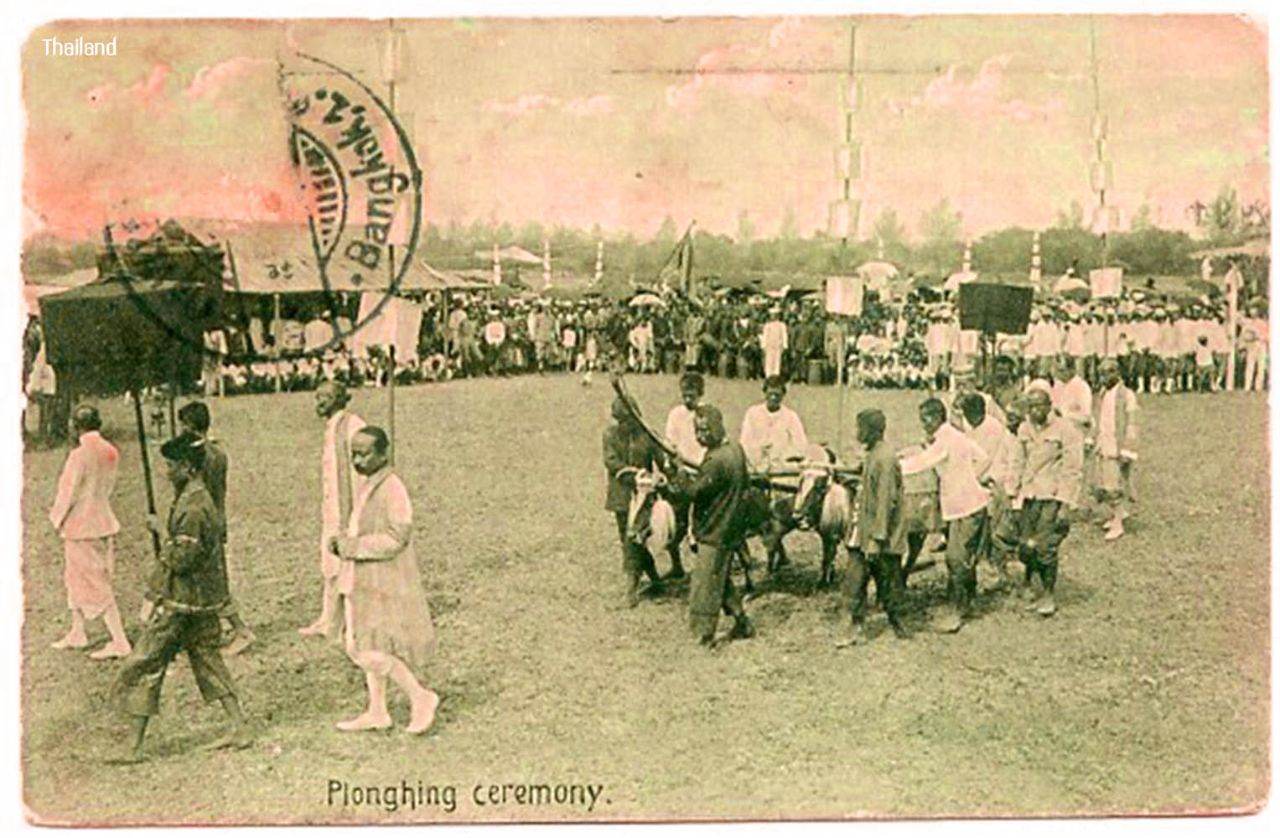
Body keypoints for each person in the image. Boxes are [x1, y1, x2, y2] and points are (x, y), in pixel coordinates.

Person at [109, 433, 250, 763]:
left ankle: (132, 746)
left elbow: (184, 559)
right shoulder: (195, 497)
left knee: (146, 661)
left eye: (171, 466)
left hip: (182, 602)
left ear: (187, 467)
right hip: (201, 602)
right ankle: (238, 726)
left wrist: (162, 534)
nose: (166, 471)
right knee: (207, 659)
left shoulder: (193, 506)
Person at [328, 426, 439, 733]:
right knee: (363, 640)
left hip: (382, 579)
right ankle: (378, 710)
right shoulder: (367, 485)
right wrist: (342, 542)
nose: (358, 460)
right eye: (354, 454)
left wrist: (353, 547)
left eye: (365, 454)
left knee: (362, 648)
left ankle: (420, 696)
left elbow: (397, 536)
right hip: (360, 576)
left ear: (384, 453)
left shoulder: (393, 488)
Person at [900, 398, 992, 634]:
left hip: (966, 507)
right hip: (966, 505)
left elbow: (922, 462)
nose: (923, 425)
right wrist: (973, 479)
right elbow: (983, 458)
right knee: (963, 558)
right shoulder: (955, 435)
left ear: (934, 417)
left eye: (925, 419)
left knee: (955, 558)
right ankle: (968, 601)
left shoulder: (946, 440)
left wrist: (892, 466)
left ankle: (957, 611)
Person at [48, 405, 132, 659]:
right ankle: (78, 632)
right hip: (101, 520)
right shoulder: (110, 450)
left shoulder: (79, 455)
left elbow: (68, 492)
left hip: (81, 526)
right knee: (74, 577)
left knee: (96, 582)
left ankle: (120, 641)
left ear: (75, 426)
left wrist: (56, 519)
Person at [669, 405, 754, 645]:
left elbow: (691, 493)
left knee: (705, 584)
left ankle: (703, 634)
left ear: (718, 426)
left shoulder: (716, 460)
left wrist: (677, 472)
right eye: (697, 430)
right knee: (722, 578)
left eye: (705, 430)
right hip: (732, 527)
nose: (701, 435)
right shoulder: (736, 450)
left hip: (715, 530)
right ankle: (741, 622)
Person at [177, 401, 255, 655]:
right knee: (208, 578)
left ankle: (241, 630)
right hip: (215, 518)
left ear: (189, 426)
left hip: (205, 522)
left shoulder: (201, 457)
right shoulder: (217, 452)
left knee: (213, 581)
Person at [999, 388, 1084, 617]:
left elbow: (1072, 469)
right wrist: (1011, 493)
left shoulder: (1065, 430)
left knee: (1045, 547)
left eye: (1040, 406)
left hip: (1052, 497)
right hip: (1029, 495)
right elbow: (1017, 461)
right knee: (1026, 546)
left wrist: (1065, 504)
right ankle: (1030, 582)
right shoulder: (1025, 429)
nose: (1035, 411)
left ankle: (1048, 593)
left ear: (1049, 405)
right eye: (1031, 406)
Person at [837, 409, 910, 647]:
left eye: (861, 429)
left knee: (888, 580)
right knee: (854, 579)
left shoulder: (885, 459)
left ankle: (898, 622)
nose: (857, 433)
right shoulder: (873, 454)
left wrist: (877, 539)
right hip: (863, 529)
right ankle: (855, 625)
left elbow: (885, 502)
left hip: (881, 535)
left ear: (874, 431)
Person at [301, 381, 366, 636]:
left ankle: (344, 621)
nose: (320, 402)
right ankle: (329, 619)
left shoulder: (353, 425)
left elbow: (361, 468)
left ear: (340, 398)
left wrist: (357, 509)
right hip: (332, 505)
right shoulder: (332, 427)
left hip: (347, 506)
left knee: (345, 563)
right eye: (318, 396)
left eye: (326, 397)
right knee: (330, 563)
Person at [602, 397, 665, 606]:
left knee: (640, 537)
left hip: (645, 496)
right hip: (622, 495)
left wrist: (662, 477)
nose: (624, 425)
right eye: (620, 420)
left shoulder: (647, 434)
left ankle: (637, 586)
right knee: (628, 539)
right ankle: (646, 581)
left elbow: (662, 461)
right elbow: (611, 461)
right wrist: (633, 476)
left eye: (628, 420)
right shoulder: (610, 434)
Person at [662, 371, 708, 579]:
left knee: (705, 525)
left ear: (701, 394)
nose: (688, 400)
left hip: (703, 473)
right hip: (682, 473)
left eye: (692, 395)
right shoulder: (675, 415)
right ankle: (676, 566)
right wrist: (673, 465)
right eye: (685, 395)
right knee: (675, 523)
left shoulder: (708, 414)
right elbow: (669, 444)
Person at [1093, 359, 1138, 541]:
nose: (1104, 377)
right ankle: (1115, 515)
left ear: (1117, 372)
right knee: (1105, 483)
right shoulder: (1103, 393)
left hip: (1118, 446)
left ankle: (1118, 523)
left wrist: (1128, 449)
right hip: (1105, 443)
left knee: (1115, 485)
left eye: (1108, 372)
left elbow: (1132, 424)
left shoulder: (1127, 395)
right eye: (1101, 373)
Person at [739, 376, 809, 472]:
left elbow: (801, 445)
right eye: (770, 394)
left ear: (783, 395)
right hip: (755, 467)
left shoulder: (791, 417)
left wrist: (781, 454)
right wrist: (759, 449)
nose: (773, 398)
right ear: (765, 393)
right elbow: (744, 442)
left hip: (782, 469)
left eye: (777, 395)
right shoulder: (752, 413)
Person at [760, 308, 788, 379]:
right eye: (771, 315)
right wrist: (763, 346)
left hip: (778, 346)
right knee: (769, 361)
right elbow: (765, 336)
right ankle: (768, 376)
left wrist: (785, 346)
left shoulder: (782, 325)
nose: (773, 317)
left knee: (777, 361)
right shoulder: (767, 325)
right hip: (769, 346)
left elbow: (784, 335)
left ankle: (776, 377)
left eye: (774, 315)